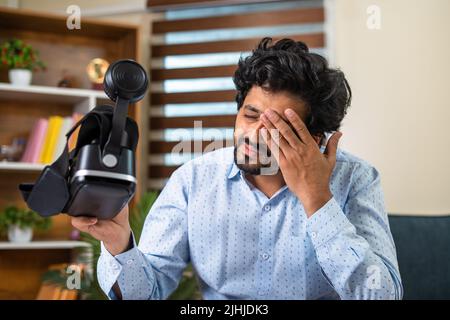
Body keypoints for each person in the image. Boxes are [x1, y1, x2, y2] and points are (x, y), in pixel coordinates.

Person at [72, 37, 403, 300]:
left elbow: (381, 295)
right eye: (250, 115)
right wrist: (119, 244)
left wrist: (317, 199)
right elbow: (145, 292)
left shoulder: (356, 179)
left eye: (277, 126)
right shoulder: (193, 181)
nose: (254, 134)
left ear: (314, 139)